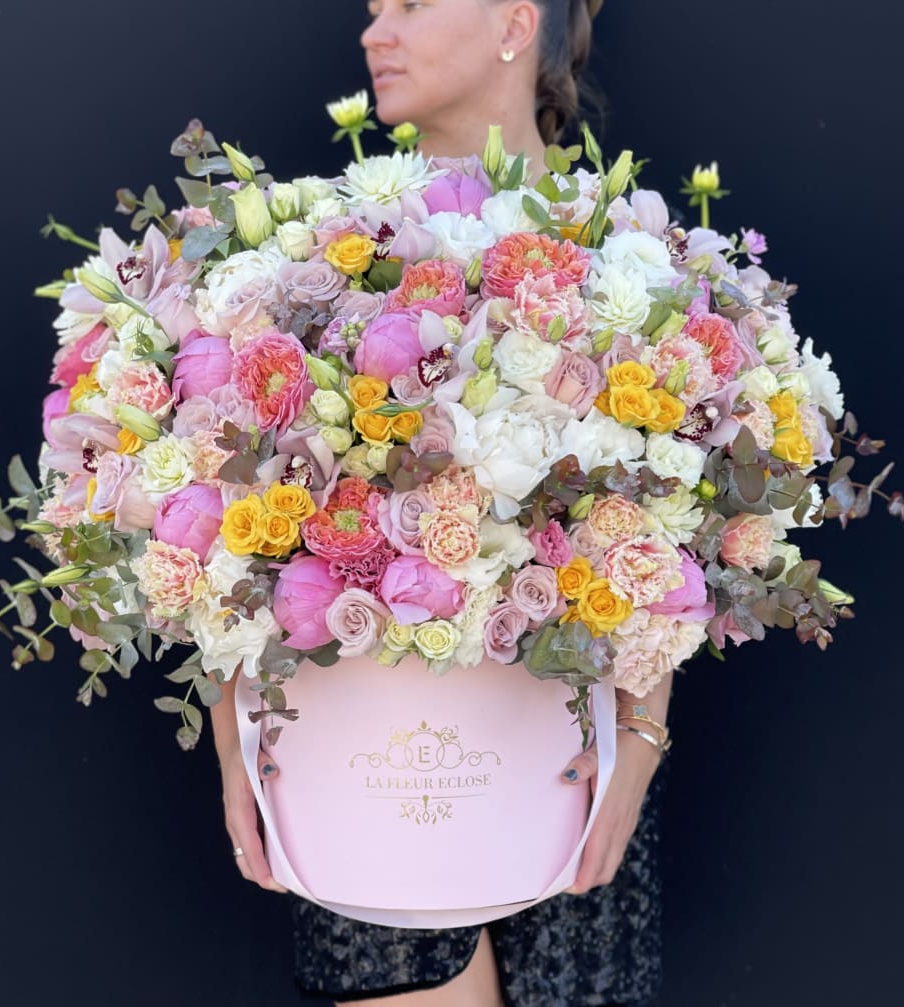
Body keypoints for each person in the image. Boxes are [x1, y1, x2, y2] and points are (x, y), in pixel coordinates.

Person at [209, 1, 674, 1004]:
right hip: (363, 765)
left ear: (516, 21)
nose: (374, 32)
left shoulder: (623, 254)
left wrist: (638, 739)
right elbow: (233, 514)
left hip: (566, 766)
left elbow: (667, 536)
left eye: (410, 4)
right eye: (372, 9)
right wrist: (232, 727)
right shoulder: (314, 250)